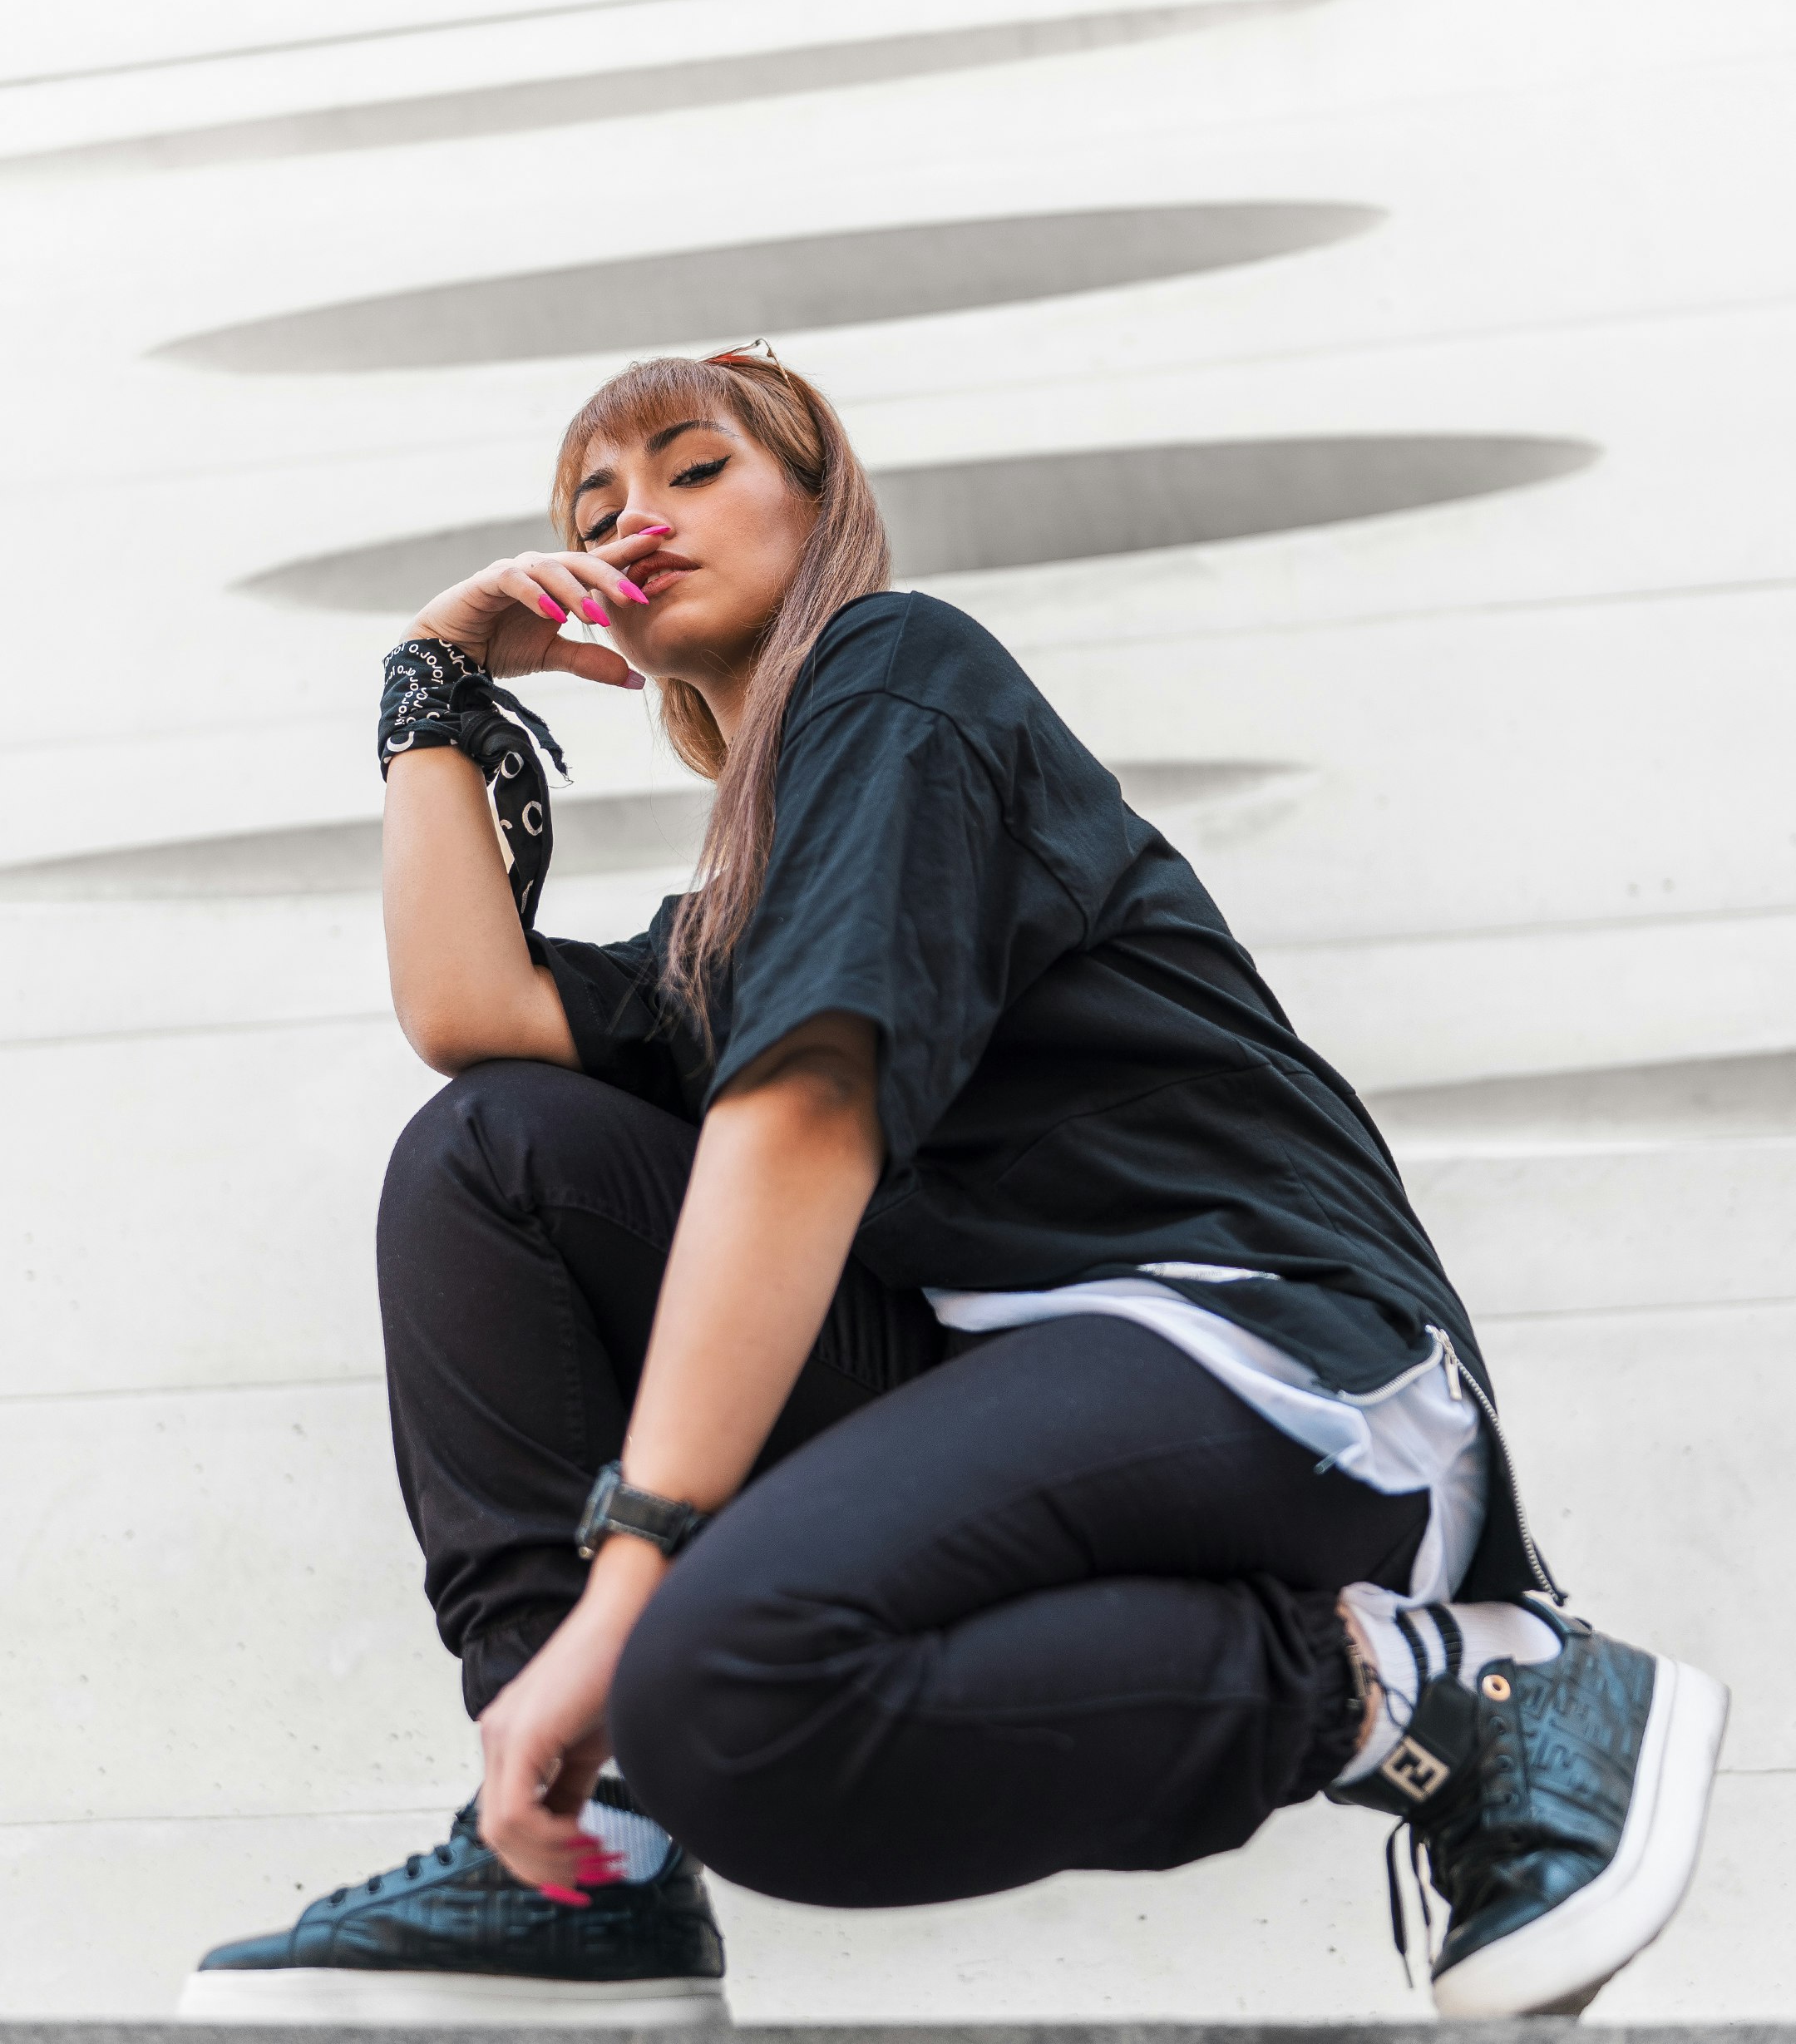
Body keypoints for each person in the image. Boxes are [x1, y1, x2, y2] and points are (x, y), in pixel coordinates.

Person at [181, 349, 1727, 2025]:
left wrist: (629, 1585)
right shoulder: (742, 915)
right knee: (495, 1155)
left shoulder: (901, 675)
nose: (637, 517)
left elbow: (806, 1115)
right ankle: (584, 1862)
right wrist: (433, 684)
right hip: (1011, 1382)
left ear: (821, 502)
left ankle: (1461, 1692)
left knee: (723, 1687)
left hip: (1263, 1354)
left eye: (695, 468)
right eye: (594, 504)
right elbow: (469, 1013)